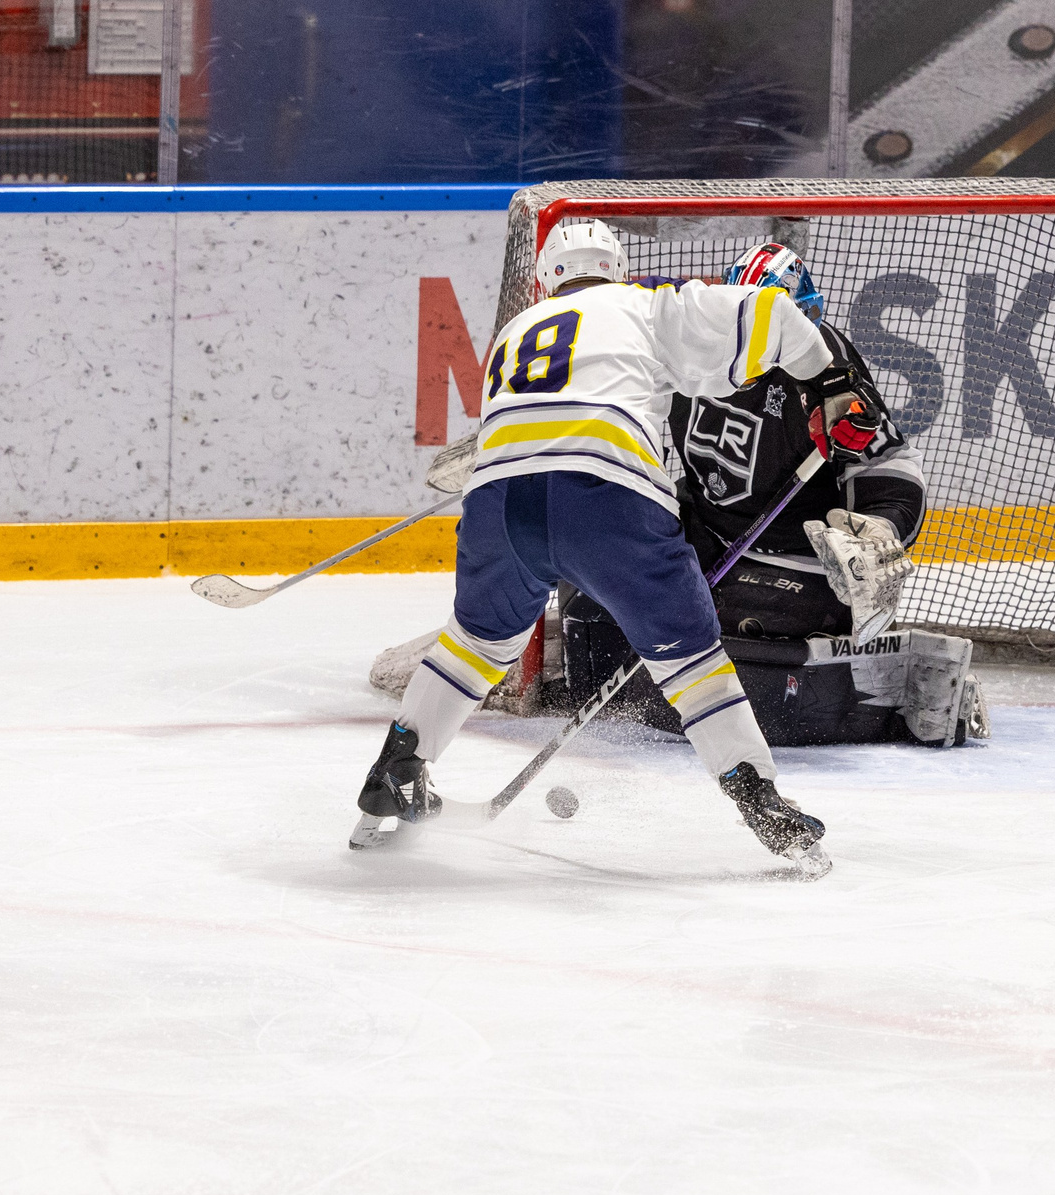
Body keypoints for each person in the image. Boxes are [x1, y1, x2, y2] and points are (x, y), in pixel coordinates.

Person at [349, 219, 876, 871]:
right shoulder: (645, 304)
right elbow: (771, 311)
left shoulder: (514, 335)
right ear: (618, 266)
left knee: (478, 643)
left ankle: (395, 770)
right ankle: (760, 799)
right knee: (689, 658)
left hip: (498, 500)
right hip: (607, 495)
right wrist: (830, 383)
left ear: (545, 280)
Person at [557, 241, 984, 750]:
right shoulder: (684, 340)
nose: (797, 335)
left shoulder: (827, 361)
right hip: (708, 534)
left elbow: (886, 457)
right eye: (789, 319)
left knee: (731, 630)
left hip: (795, 561)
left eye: (801, 319)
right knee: (585, 546)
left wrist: (881, 526)